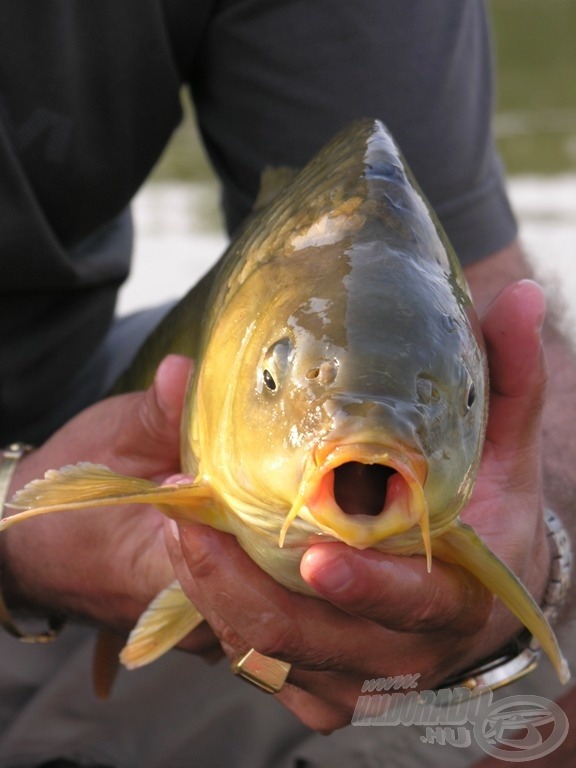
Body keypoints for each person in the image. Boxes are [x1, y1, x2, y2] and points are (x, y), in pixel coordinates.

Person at [0, 1, 574, 766]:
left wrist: (543, 565)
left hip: (78, 408)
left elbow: (477, 284)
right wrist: (19, 550)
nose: (367, 431)